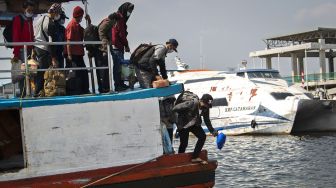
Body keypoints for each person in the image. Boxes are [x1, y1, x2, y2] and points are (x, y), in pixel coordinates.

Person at [173, 92, 218, 163]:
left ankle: (195, 157)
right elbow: (175, 109)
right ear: (201, 101)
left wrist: (212, 130)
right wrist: (177, 124)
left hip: (194, 124)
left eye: (208, 105)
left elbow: (207, 120)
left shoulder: (205, 108)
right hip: (183, 125)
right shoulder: (191, 103)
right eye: (206, 104)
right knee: (184, 143)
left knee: (202, 136)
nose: (206, 106)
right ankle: (180, 159)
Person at [33, 3, 62, 96]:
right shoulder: (51, 24)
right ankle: (38, 92)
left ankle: (39, 91)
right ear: (56, 13)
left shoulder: (40, 18)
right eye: (58, 14)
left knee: (41, 71)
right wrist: (53, 58)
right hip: (44, 49)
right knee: (44, 72)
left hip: (37, 46)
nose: (58, 16)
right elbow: (51, 43)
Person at [65, 6, 90, 95]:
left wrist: (89, 21)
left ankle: (84, 90)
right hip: (73, 54)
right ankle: (78, 91)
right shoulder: (71, 26)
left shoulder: (77, 26)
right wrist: (69, 55)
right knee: (75, 74)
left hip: (78, 53)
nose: (82, 18)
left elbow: (86, 32)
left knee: (82, 72)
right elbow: (69, 41)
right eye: (81, 16)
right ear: (78, 15)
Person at [12, 0, 35, 97]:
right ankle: (23, 94)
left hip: (29, 50)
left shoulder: (30, 20)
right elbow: (16, 37)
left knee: (30, 73)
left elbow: (32, 35)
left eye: (31, 10)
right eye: (29, 10)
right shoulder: (18, 19)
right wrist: (16, 54)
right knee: (22, 74)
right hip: (21, 51)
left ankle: (28, 93)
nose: (30, 12)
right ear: (24, 9)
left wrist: (33, 48)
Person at [110, 2, 134, 91]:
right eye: (129, 10)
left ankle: (121, 84)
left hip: (118, 46)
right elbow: (121, 34)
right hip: (116, 46)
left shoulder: (120, 17)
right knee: (118, 67)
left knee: (120, 66)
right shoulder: (119, 18)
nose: (130, 13)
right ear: (125, 9)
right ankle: (118, 85)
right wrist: (126, 45)